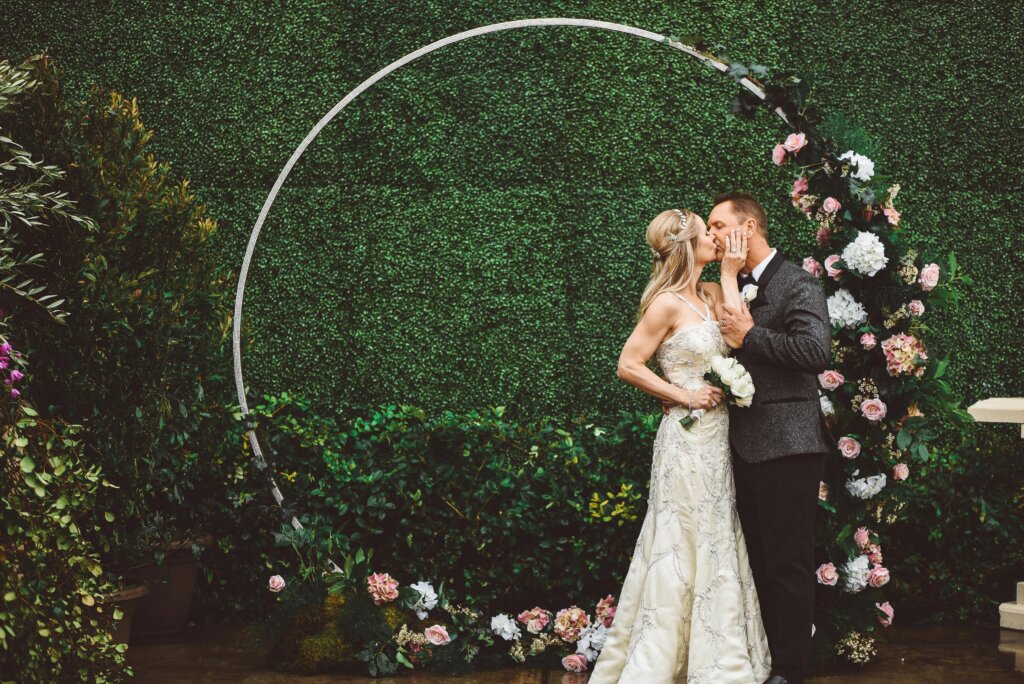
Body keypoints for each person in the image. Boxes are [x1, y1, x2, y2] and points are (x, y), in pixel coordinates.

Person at [588, 207, 771, 684]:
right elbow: (629, 364)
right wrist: (684, 394)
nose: (715, 236)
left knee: (717, 532)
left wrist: (730, 274)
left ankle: (718, 655)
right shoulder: (666, 303)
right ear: (688, 245)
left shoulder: (711, 294)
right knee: (677, 538)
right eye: (705, 233)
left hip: (720, 438)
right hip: (686, 438)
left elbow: (742, 328)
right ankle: (662, 658)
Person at [700, 191, 833, 684]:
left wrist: (751, 335)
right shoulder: (724, 284)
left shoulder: (798, 283)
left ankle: (792, 671)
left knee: (787, 562)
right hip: (737, 445)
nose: (710, 234)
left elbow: (816, 351)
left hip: (788, 445)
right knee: (752, 559)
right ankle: (760, 660)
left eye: (718, 224)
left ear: (748, 228)